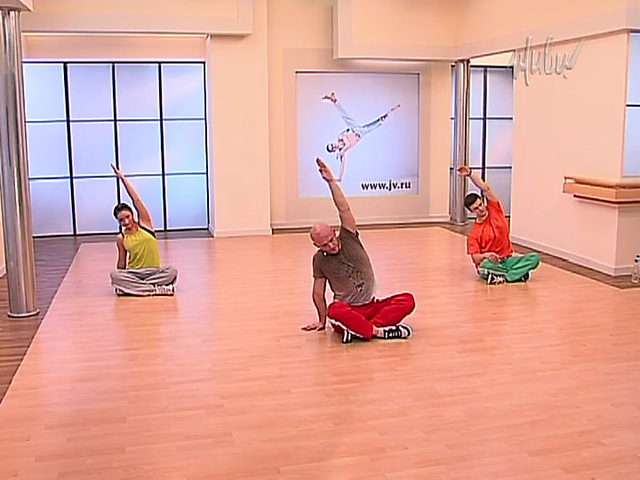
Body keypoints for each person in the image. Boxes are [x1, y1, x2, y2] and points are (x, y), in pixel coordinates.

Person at [302, 157, 415, 343]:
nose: (331, 245)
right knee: (334, 311)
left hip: (371, 306)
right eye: (325, 245)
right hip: (349, 309)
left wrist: (331, 182)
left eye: (331, 240)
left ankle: (362, 330)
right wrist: (321, 321)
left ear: (334, 231)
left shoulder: (349, 237)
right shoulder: (319, 260)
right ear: (317, 246)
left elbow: (344, 209)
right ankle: (377, 331)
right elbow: (317, 293)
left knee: (407, 300)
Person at [457, 165, 540, 284]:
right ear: (472, 211)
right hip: (491, 263)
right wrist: (486, 255)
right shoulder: (474, 233)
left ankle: (505, 276)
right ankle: (516, 274)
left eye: (480, 204)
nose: (481, 209)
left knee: (534, 258)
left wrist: (470, 174)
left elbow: (486, 189)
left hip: (507, 259)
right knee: (484, 267)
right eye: (476, 208)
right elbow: (475, 258)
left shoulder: (495, 210)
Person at [110, 164, 178, 296]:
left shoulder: (145, 224)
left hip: (154, 272)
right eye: (121, 220)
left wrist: (123, 178)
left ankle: (134, 289)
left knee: (172, 271)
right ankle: (155, 289)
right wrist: (119, 278)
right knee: (114, 275)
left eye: (127, 217)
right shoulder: (121, 238)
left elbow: (136, 199)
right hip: (134, 273)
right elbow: (122, 262)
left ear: (132, 214)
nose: (126, 222)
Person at [322, 91, 400, 182]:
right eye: (332, 148)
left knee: (345, 117)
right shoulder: (342, 152)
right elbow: (342, 165)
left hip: (354, 128)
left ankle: (335, 101)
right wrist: (339, 178)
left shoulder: (340, 137)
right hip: (361, 133)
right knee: (378, 123)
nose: (333, 146)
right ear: (333, 151)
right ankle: (391, 112)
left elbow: (347, 142)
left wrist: (342, 150)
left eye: (332, 145)